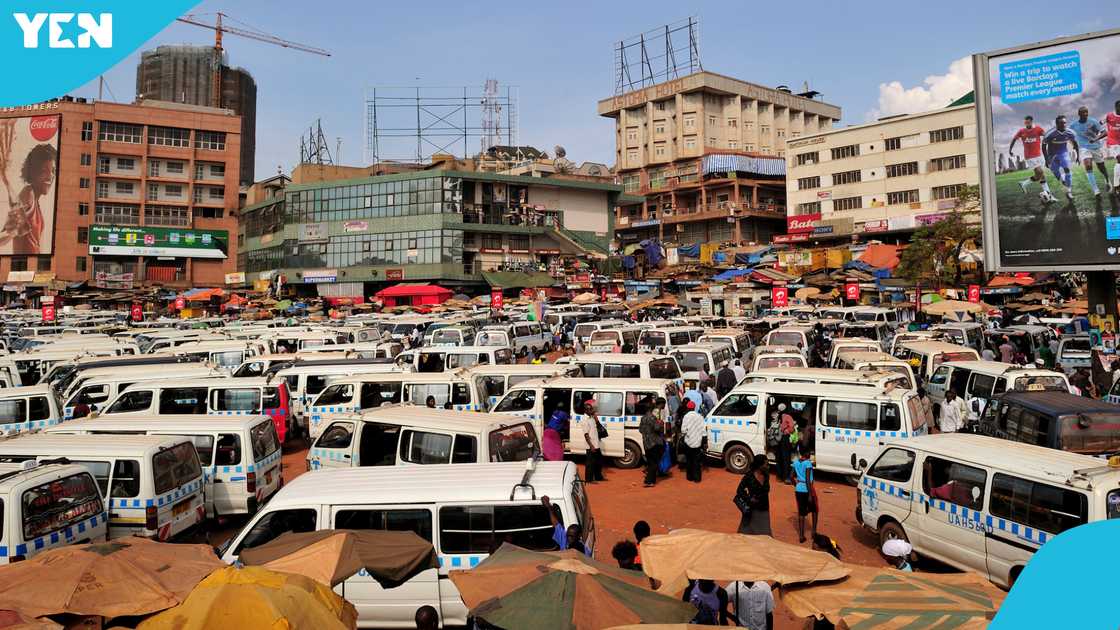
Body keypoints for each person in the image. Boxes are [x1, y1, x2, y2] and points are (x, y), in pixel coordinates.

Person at [0, 143, 56, 254]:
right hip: (23, 266)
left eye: (53, 171)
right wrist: (13, 231)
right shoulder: (28, 194)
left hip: (32, 265)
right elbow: (8, 232)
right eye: (44, 171)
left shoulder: (35, 200)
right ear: (33, 173)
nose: (50, 177)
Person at [1070, 106, 1111, 196]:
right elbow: (1068, 135)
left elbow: (1105, 133)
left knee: (1101, 167)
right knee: (1088, 165)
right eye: (1083, 112)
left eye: (1086, 112)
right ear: (1079, 114)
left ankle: (1107, 180)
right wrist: (1074, 145)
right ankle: (1095, 189)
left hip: (1096, 147)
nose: (1085, 114)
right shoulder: (1073, 125)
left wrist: (1096, 139)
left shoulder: (1093, 122)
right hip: (1084, 148)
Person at [1041, 115, 1079, 203]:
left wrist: (1078, 156)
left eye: (1065, 123)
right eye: (1062, 123)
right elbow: (1043, 146)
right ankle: (1063, 182)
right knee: (1057, 173)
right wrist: (1047, 160)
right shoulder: (1049, 134)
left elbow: (1075, 144)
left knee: (1067, 170)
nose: (1064, 125)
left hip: (1063, 153)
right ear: (1057, 124)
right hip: (1052, 155)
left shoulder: (1070, 132)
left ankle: (1069, 191)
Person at [1010, 115, 1049, 199]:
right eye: (1025, 122)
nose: (1027, 123)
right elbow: (1014, 139)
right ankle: (1046, 193)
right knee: (1040, 172)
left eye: (1028, 122)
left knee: (1041, 175)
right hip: (1030, 157)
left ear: (1031, 121)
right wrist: (1010, 150)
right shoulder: (1021, 131)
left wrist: (1048, 139)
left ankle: (1024, 184)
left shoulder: (1038, 129)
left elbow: (1045, 135)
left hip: (1039, 155)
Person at [736, 454, 772, 535]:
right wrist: (749, 499)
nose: (768, 466)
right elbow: (739, 490)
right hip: (752, 510)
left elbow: (766, 490)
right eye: (766, 464)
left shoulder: (766, 475)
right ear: (759, 465)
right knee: (747, 534)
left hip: (764, 509)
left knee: (764, 534)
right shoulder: (749, 476)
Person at [791, 444, 816, 544]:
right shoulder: (808, 463)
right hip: (807, 489)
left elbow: (791, 476)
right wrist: (810, 494)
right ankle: (813, 531)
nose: (810, 454)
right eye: (809, 452)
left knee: (801, 512)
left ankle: (801, 535)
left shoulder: (796, 462)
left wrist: (795, 484)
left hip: (798, 489)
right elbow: (807, 479)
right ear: (806, 453)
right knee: (814, 510)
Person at [639, 397, 666, 487]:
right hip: (654, 443)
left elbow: (640, 430)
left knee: (651, 462)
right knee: (654, 463)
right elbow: (657, 428)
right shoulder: (652, 418)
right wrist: (661, 423)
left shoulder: (643, 418)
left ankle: (652, 480)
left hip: (646, 443)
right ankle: (649, 481)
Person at [680, 399, 706, 482]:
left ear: (688, 408)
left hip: (688, 442)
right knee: (697, 461)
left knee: (689, 460)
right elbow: (703, 431)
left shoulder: (686, 416)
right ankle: (697, 478)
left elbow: (683, 430)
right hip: (698, 442)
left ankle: (690, 477)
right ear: (694, 408)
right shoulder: (700, 416)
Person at [581, 399, 605, 482]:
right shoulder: (584, 420)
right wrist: (591, 446)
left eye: (592, 409)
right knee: (590, 463)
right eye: (590, 409)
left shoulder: (591, 418)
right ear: (586, 410)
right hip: (591, 445)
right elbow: (586, 435)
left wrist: (596, 418)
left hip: (596, 444)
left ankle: (598, 477)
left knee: (599, 461)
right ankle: (589, 479)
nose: (592, 410)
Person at [777, 404, 795, 483]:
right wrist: (788, 430)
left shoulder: (777, 416)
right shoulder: (788, 417)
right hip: (785, 438)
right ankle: (786, 477)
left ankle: (780, 476)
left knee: (779, 458)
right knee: (786, 458)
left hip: (778, 438)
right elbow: (792, 428)